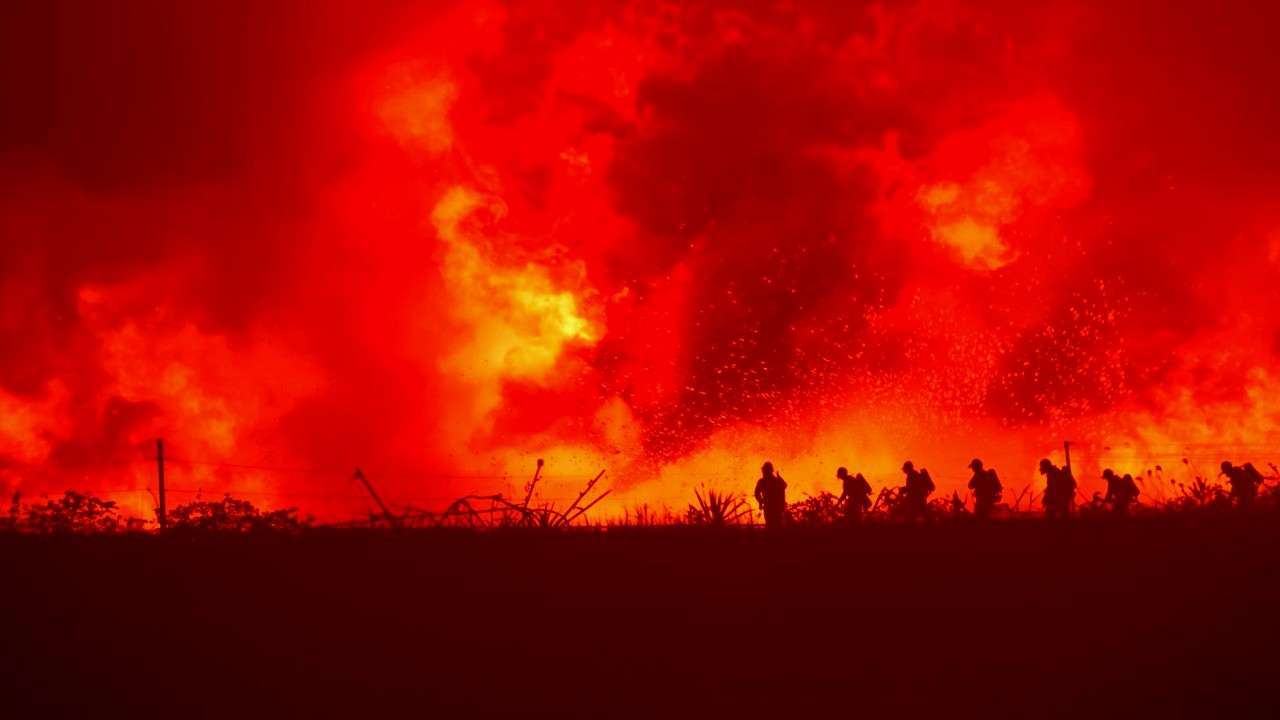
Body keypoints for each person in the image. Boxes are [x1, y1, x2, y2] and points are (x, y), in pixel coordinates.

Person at [754, 461, 788, 528]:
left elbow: (784, 486)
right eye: (764, 471)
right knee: (773, 525)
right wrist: (760, 501)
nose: (764, 472)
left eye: (765, 471)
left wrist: (760, 502)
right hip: (770, 507)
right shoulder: (763, 481)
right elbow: (756, 493)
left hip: (775, 507)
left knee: (775, 525)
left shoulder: (773, 480)